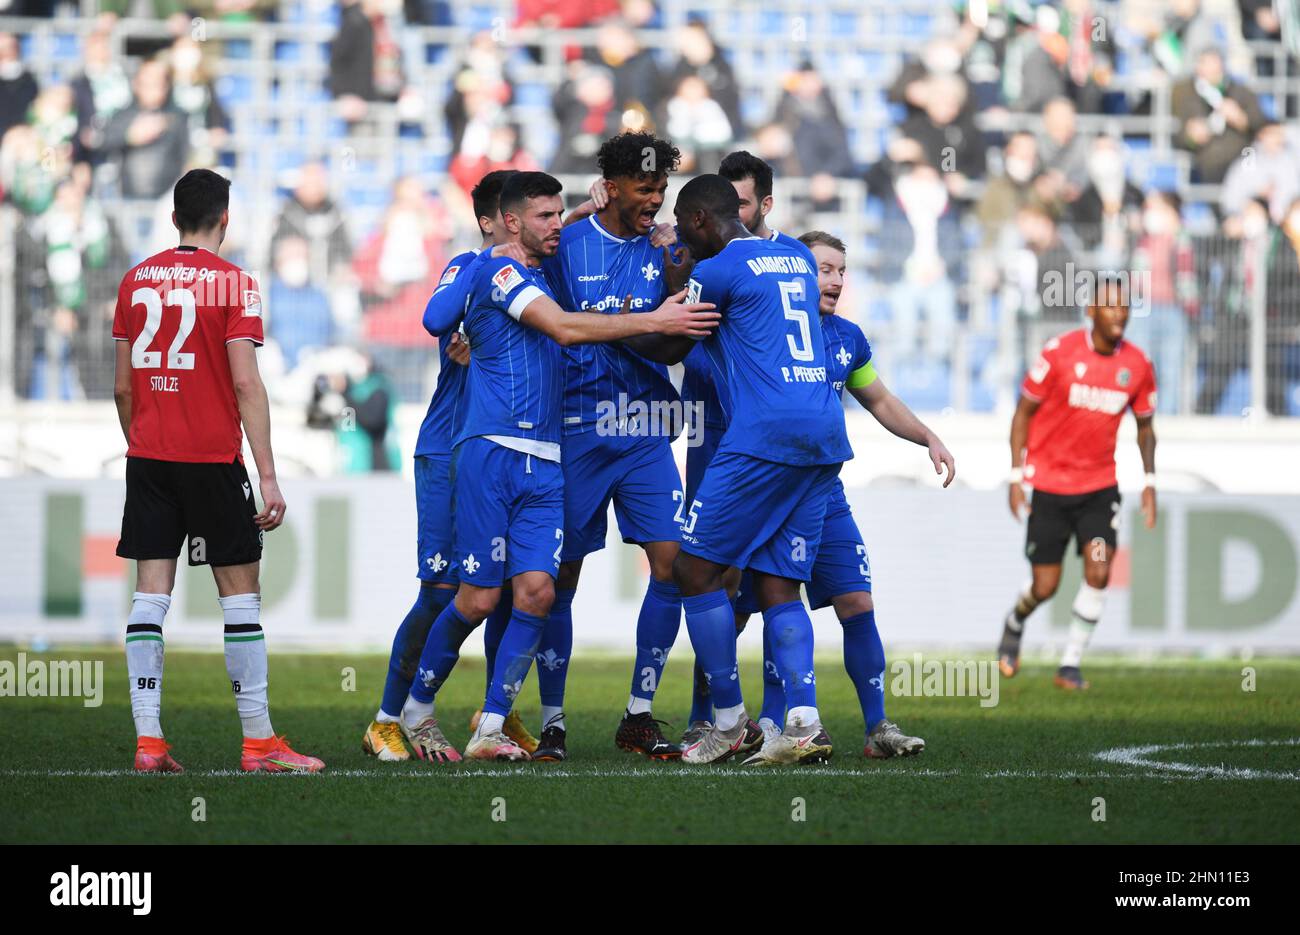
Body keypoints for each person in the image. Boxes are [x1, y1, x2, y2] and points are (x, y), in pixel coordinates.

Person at [396, 171, 716, 762]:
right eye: (547, 216)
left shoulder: (543, 272)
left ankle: (491, 727)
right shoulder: (499, 270)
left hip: (548, 458)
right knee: (476, 600)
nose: (559, 225)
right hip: (492, 451)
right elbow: (566, 330)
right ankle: (412, 711)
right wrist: (656, 319)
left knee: (538, 594)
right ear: (512, 221)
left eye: (560, 213)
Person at [111, 168, 323, 773]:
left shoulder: (133, 281)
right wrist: (269, 475)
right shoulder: (236, 285)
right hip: (211, 458)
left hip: (148, 458)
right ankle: (258, 742)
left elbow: (123, 388)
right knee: (239, 598)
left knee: (150, 597)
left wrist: (144, 443)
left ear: (174, 217)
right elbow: (246, 383)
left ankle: (149, 743)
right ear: (224, 220)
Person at [670, 174, 852, 765]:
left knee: (694, 573)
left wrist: (639, 313)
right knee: (778, 582)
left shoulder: (718, 270)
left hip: (762, 436)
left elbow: (673, 344)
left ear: (701, 221)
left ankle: (728, 722)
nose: (677, 234)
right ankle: (803, 723)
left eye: (681, 223)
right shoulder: (796, 255)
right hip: (823, 432)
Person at [359, 169, 538, 763]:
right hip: (451, 447)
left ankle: (495, 715)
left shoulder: (544, 275)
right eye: (528, 214)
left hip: (512, 452)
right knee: (442, 591)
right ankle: (390, 718)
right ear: (493, 221)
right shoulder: (466, 267)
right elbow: (435, 319)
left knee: (511, 594)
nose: (544, 225)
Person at [534, 132, 697, 762]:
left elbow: (680, 331)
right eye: (644, 188)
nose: (655, 200)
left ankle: (639, 713)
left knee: (674, 567)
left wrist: (673, 256)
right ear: (613, 184)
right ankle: (553, 721)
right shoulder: (567, 244)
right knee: (559, 580)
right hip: (575, 429)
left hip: (647, 431)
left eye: (661, 189)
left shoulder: (669, 249)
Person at [996, 275, 1158, 690]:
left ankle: (1069, 665)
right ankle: (1015, 621)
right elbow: (1023, 413)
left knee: (1100, 570)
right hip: (1049, 487)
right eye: (1109, 306)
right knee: (1045, 586)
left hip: (1099, 491)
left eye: (1124, 307)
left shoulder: (1137, 365)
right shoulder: (1060, 354)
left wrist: (1149, 483)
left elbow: (1145, 428)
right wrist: (1017, 476)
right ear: (1091, 311)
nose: (1118, 314)